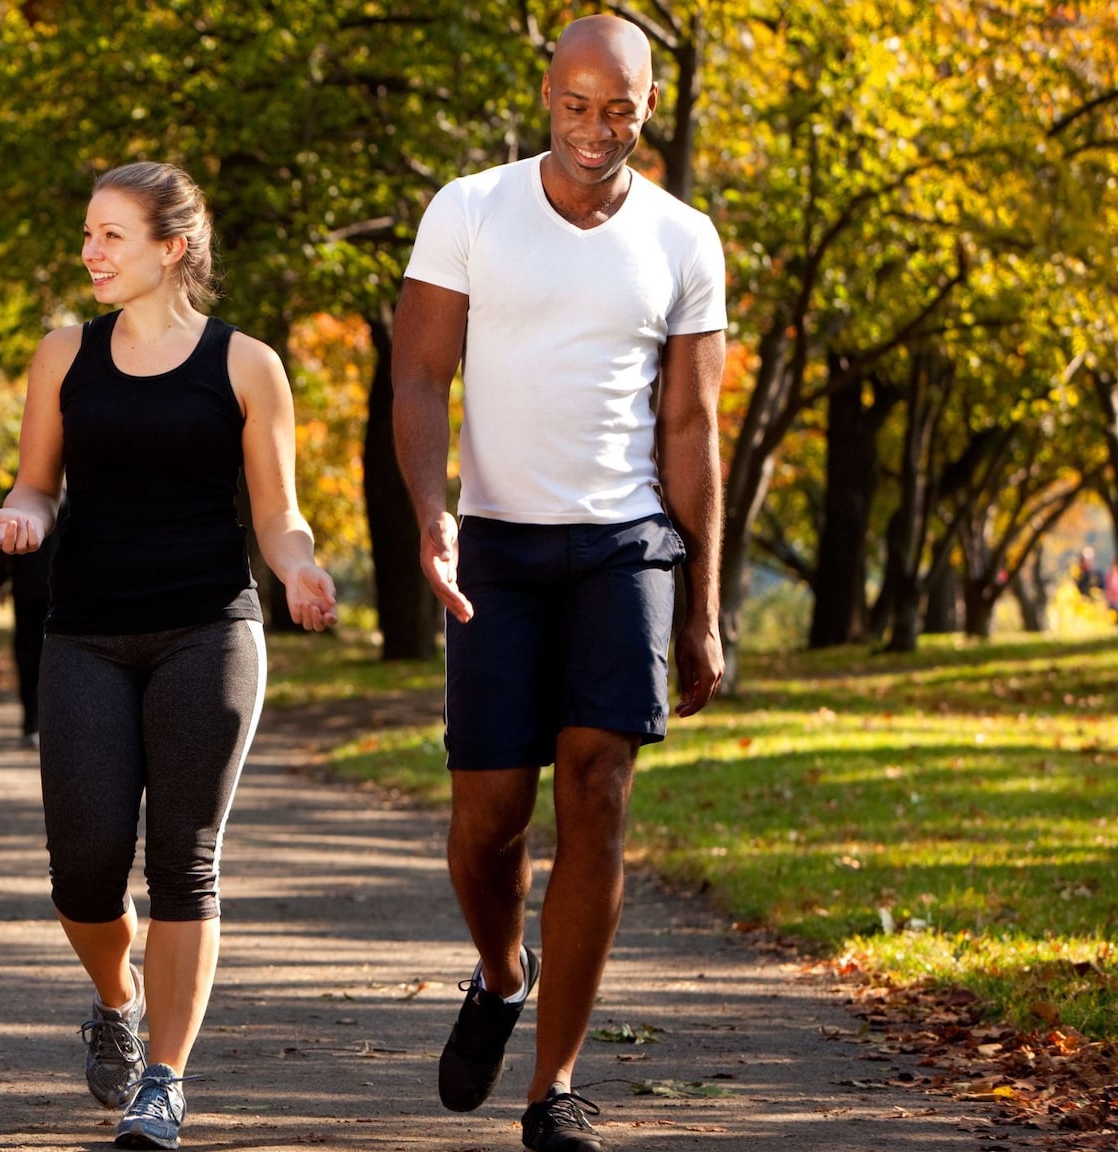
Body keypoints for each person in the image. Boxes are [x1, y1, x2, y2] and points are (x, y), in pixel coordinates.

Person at [390, 15, 727, 1151]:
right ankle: (499, 972)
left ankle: (555, 1090)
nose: (595, 129)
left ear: (644, 106)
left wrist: (703, 609)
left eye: (617, 108)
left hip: (622, 548)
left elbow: (689, 429)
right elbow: (419, 373)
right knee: (487, 820)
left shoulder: (684, 238)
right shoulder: (469, 209)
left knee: (595, 794)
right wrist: (430, 513)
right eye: (575, 106)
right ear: (546, 95)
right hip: (495, 544)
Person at [0, 161, 338, 1150]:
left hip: (207, 628)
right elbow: (38, 486)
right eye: (88, 233)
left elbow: (276, 513)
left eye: (110, 236)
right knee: (83, 871)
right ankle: (115, 995)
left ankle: (164, 1083)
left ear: (169, 248)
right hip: (85, 630)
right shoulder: (62, 357)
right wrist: (19, 514)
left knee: (184, 860)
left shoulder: (246, 365)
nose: (89, 251)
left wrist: (299, 569)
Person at [0, 501, 62, 747]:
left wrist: (0, 580)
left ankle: (37, 718)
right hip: (42, 592)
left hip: (44, 592)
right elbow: (3, 541)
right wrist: (0, 580)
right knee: (32, 655)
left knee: (35, 654)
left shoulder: (72, 497)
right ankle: (34, 718)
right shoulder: (23, 499)